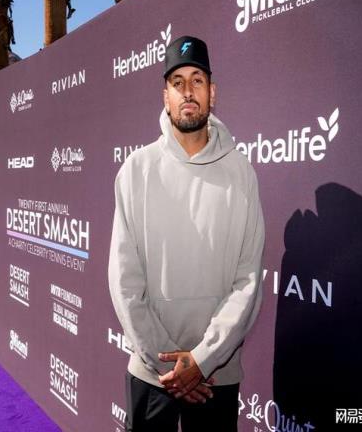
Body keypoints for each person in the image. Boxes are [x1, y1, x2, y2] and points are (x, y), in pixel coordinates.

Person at [108, 35, 265, 432]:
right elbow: (125, 281)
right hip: (153, 373)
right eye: (177, 83)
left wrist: (203, 360)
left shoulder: (241, 173)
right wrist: (170, 362)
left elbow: (248, 279)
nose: (188, 91)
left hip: (216, 375)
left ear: (213, 92)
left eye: (197, 80)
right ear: (166, 97)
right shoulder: (136, 170)